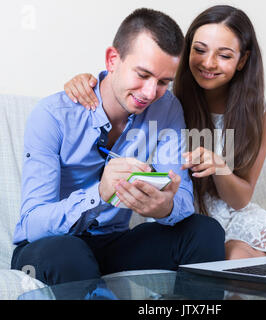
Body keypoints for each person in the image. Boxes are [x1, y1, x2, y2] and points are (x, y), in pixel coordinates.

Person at [11, 8, 225, 286]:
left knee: (204, 231)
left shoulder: (167, 108)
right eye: (143, 74)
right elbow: (32, 223)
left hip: (113, 244)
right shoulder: (53, 115)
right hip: (50, 246)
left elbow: (181, 195)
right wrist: (99, 194)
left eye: (163, 82)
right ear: (113, 59)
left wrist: (166, 207)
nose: (150, 93)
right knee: (68, 252)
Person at [64, 5, 266, 261]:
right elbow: (118, 84)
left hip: (235, 215)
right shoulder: (162, 96)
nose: (208, 63)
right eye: (199, 50)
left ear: (242, 60)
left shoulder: (256, 111)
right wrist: (86, 81)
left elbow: (240, 200)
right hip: (187, 220)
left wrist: (220, 167)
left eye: (224, 56)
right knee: (238, 258)